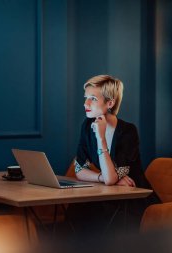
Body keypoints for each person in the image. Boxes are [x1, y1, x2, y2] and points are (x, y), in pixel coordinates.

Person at [66, 74, 160, 236]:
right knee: (76, 209)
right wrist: (101, 177)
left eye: (93, 99)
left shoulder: (128, 131)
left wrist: (101, 138)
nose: (86, 103)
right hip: (106, 196)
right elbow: (80, 170)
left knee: (98, 217)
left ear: (110, 103)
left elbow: (112, 179)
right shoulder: (87, 125)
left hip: (132, 201)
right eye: (86, 98)